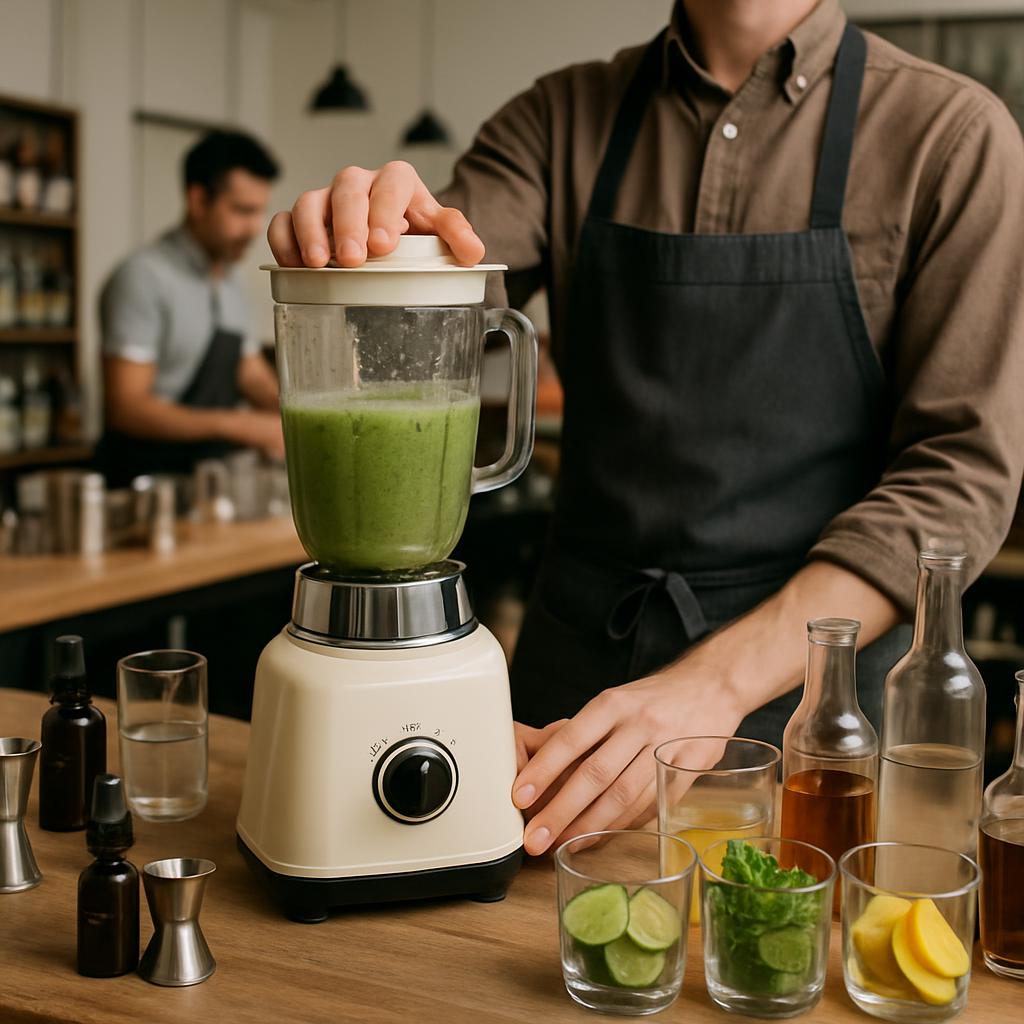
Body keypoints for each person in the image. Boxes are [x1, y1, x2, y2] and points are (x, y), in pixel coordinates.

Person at [268, 0, 1024, 857]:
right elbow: (438, 281)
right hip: (564, 710)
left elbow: (961, 473)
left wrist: (713, 687)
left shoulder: (953, 138)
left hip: (812, 735)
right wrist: (377, 235)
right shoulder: (558, 119)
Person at [97, 130, 283, 486]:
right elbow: (127, 407)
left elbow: (250, 374)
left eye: (260, 211)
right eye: (242, 211)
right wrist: (243, 425)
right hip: (141, 484)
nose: (254, 228)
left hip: (204, 482)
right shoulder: (142, 277)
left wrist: (299, 412)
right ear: (198, 200)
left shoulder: (231, 280)